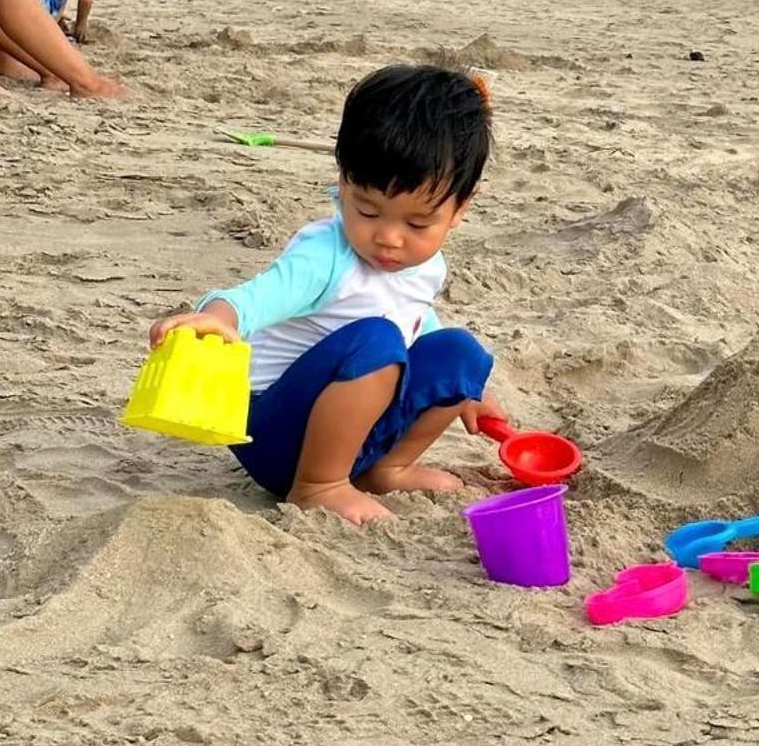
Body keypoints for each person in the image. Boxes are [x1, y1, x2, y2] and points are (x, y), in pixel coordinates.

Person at [150, 65, 504, 523]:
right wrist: (219, 318)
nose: (390, 238)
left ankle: (386, 468)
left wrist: (468, 391)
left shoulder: (426, 266)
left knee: (461, 352)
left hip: (355, 432)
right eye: (367, 211)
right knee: (375, 340)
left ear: (460, 209)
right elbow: (254, 297)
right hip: (276, 437)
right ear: (343, 185)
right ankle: (318, 485)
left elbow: (417, 327)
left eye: (417, 224)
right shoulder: (325, 256)